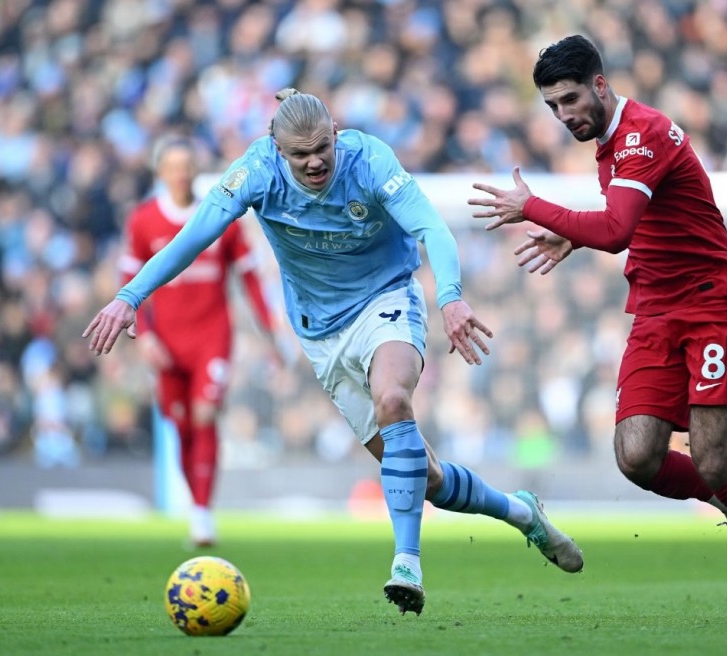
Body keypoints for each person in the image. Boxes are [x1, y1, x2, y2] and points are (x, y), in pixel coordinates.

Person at [85, 88, 583, 616]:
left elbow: (432, 228)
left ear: (336, 135)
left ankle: (407, 562)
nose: (315, 161)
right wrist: (128, 297)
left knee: (393, 398)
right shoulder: (255, 171)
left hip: (386, 299)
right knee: (426, 479)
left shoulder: (369, 160)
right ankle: (521, 513)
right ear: (276, 149)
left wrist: (452, 299)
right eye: (300, 155)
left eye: (322, 147)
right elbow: (193, 236)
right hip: (320, 333)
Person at [468, 35, 727, 622]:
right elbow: (635, 222)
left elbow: (617, 231)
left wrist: (534, 208)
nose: (564, 115)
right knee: (637, 457)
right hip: (656, 308)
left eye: (571, 99)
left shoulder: (641, 134)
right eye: (552, 106)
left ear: (600, 84)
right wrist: (571, 233)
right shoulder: (611, 142)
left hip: (712, 305)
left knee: (712, 459)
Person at [118, 135, 282, 548]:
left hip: (212, 334)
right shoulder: (143, 220)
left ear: (196, 169)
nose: (181, 173)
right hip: (167, 342)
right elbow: (130, 282)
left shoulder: (220, 212)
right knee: (183, 428)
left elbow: (248, 277)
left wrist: (270, 330)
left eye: (187, 165)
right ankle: (197, 506)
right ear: (160, 172)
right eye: (172, 166)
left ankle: (203, 515)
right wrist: (146, 336)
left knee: (206, 414)